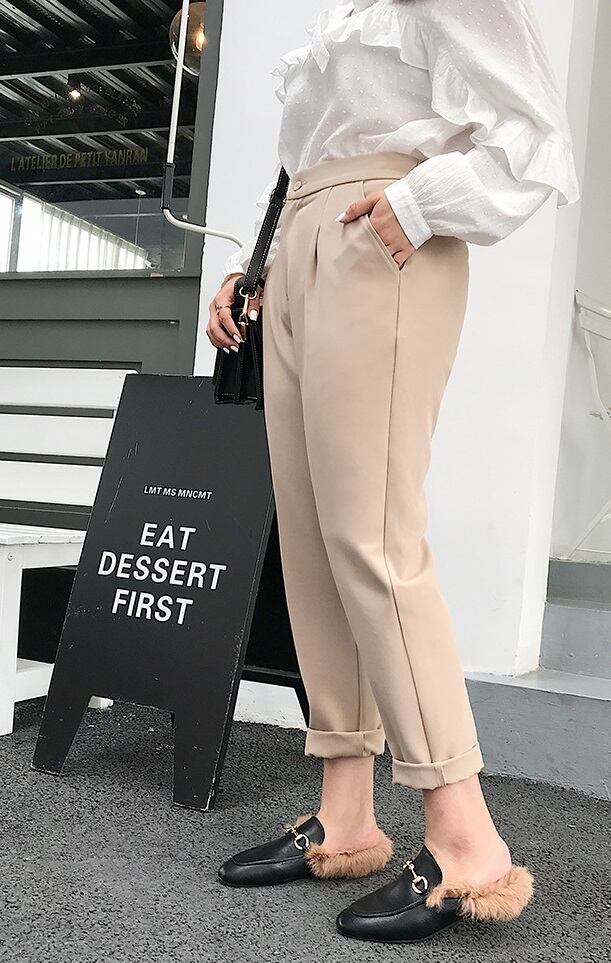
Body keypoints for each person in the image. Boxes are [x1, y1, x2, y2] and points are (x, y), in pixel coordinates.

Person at [206, 0, 579, 945]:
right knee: (314, 542)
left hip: (383, 241)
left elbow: (533, 130)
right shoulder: (344, 14)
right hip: (301, 249)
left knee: (373, 536)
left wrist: (418, 203)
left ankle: (466, 838)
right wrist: (256, 264)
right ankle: (345, 814)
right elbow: (310, 153)